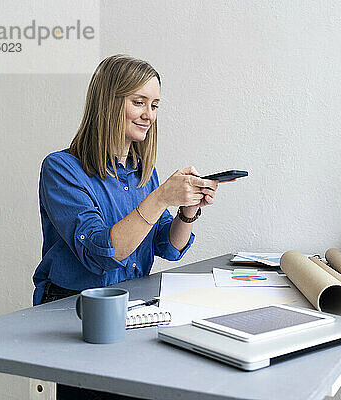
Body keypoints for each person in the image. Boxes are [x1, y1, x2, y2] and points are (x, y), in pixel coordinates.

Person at [31, 54, 218, 399]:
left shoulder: (142, 172)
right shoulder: (61, 169)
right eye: (139, 102)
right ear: (109, 102)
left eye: (155, 105)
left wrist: (187, 211)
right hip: (74, 314)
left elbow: (167, 245)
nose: (149, 115)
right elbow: (103, 252)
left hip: (132, 310)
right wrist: (161, 198)